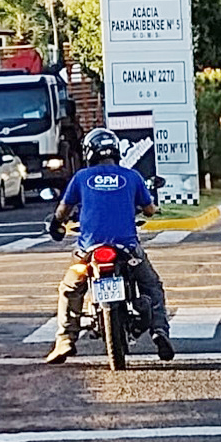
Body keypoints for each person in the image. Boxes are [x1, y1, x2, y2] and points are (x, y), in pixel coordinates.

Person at [44, 128, 174, 364]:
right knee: (151, 286)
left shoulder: (81, 177)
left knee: (70, 290)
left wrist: (56, 224)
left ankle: (65, 341)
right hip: (127, 249)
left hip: (88, 251)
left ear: (89, 152)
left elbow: (62, 211)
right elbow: (150, 209)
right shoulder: (131, 177)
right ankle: (159, 331)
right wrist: (148, 208)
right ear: (116, 151)